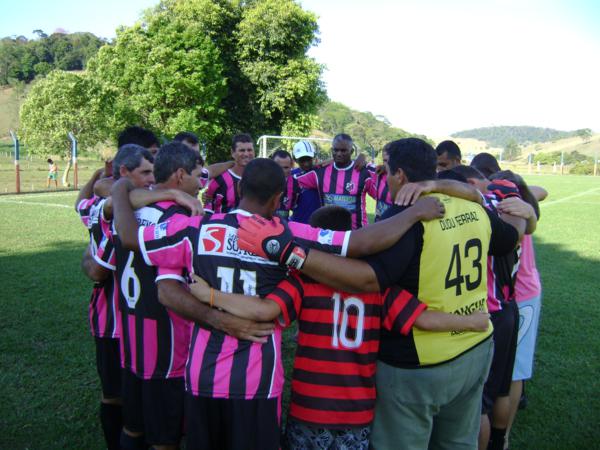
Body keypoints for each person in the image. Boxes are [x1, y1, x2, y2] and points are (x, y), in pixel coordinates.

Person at [110, 156, 447, 450]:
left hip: (202, 376)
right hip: (257, 381)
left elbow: (128, 236)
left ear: (239, 189)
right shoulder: (286, 236)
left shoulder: (195, 229)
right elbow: (359, 242)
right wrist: (413, 213)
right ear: (278, 198)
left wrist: (119, 189)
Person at [237, 138, 526, 450]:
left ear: (399, 174)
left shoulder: (403, 218)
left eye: (386, 170)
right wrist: (522, 209)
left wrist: (291, 255)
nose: (384, 178)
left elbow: (366, 279)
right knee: (457, 442)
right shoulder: (472, 208)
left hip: (420, 362)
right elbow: (510, 237)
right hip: (474, 349)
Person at [188, 205, 491, 450]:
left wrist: (210, 295)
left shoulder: (303, 281)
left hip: (309, 408)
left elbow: (264, 310)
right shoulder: (377, 286)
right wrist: (472, 321)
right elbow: (423, 319)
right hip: (357, 411)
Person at [97, 142, 204, 450]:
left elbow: (99, 262)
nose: (202, 184)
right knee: (164, 439)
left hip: (131, 342)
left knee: (132, 428)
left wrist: (119, 188)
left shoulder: (126, 212)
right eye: (199, 175)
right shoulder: (183, 219)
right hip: (168, 348)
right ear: (181, 175)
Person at [296, 134, 375, 229]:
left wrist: (366, 158)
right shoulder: (319, 173)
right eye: (336, 150)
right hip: (329, 234)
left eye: (343, 150)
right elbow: (291, 180)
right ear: (331, 150)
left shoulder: (364, 172)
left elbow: (384, 189)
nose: (339, 154)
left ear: (351, 151)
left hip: (356, 233)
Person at [204, 134, 254, 213]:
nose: (246, 154)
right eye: (242, 150)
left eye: (249, 150)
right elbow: (208, 211)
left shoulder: (259, 178)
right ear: (232, 153)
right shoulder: (219, 180)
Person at [290, 140, 322, 224]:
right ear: (295, 159)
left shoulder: (320, 172)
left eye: (309, 159)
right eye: (302, 160)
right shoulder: (291, 175)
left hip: (318, 224)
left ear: (313, 156)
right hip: (298, 223)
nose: (306, 164)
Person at [270, 149, 300, 219]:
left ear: (291, 165)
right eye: (278, 167)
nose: (282, 171)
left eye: (286, 167)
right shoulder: (262, 181)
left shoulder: (296, 184)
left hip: (283, 223)